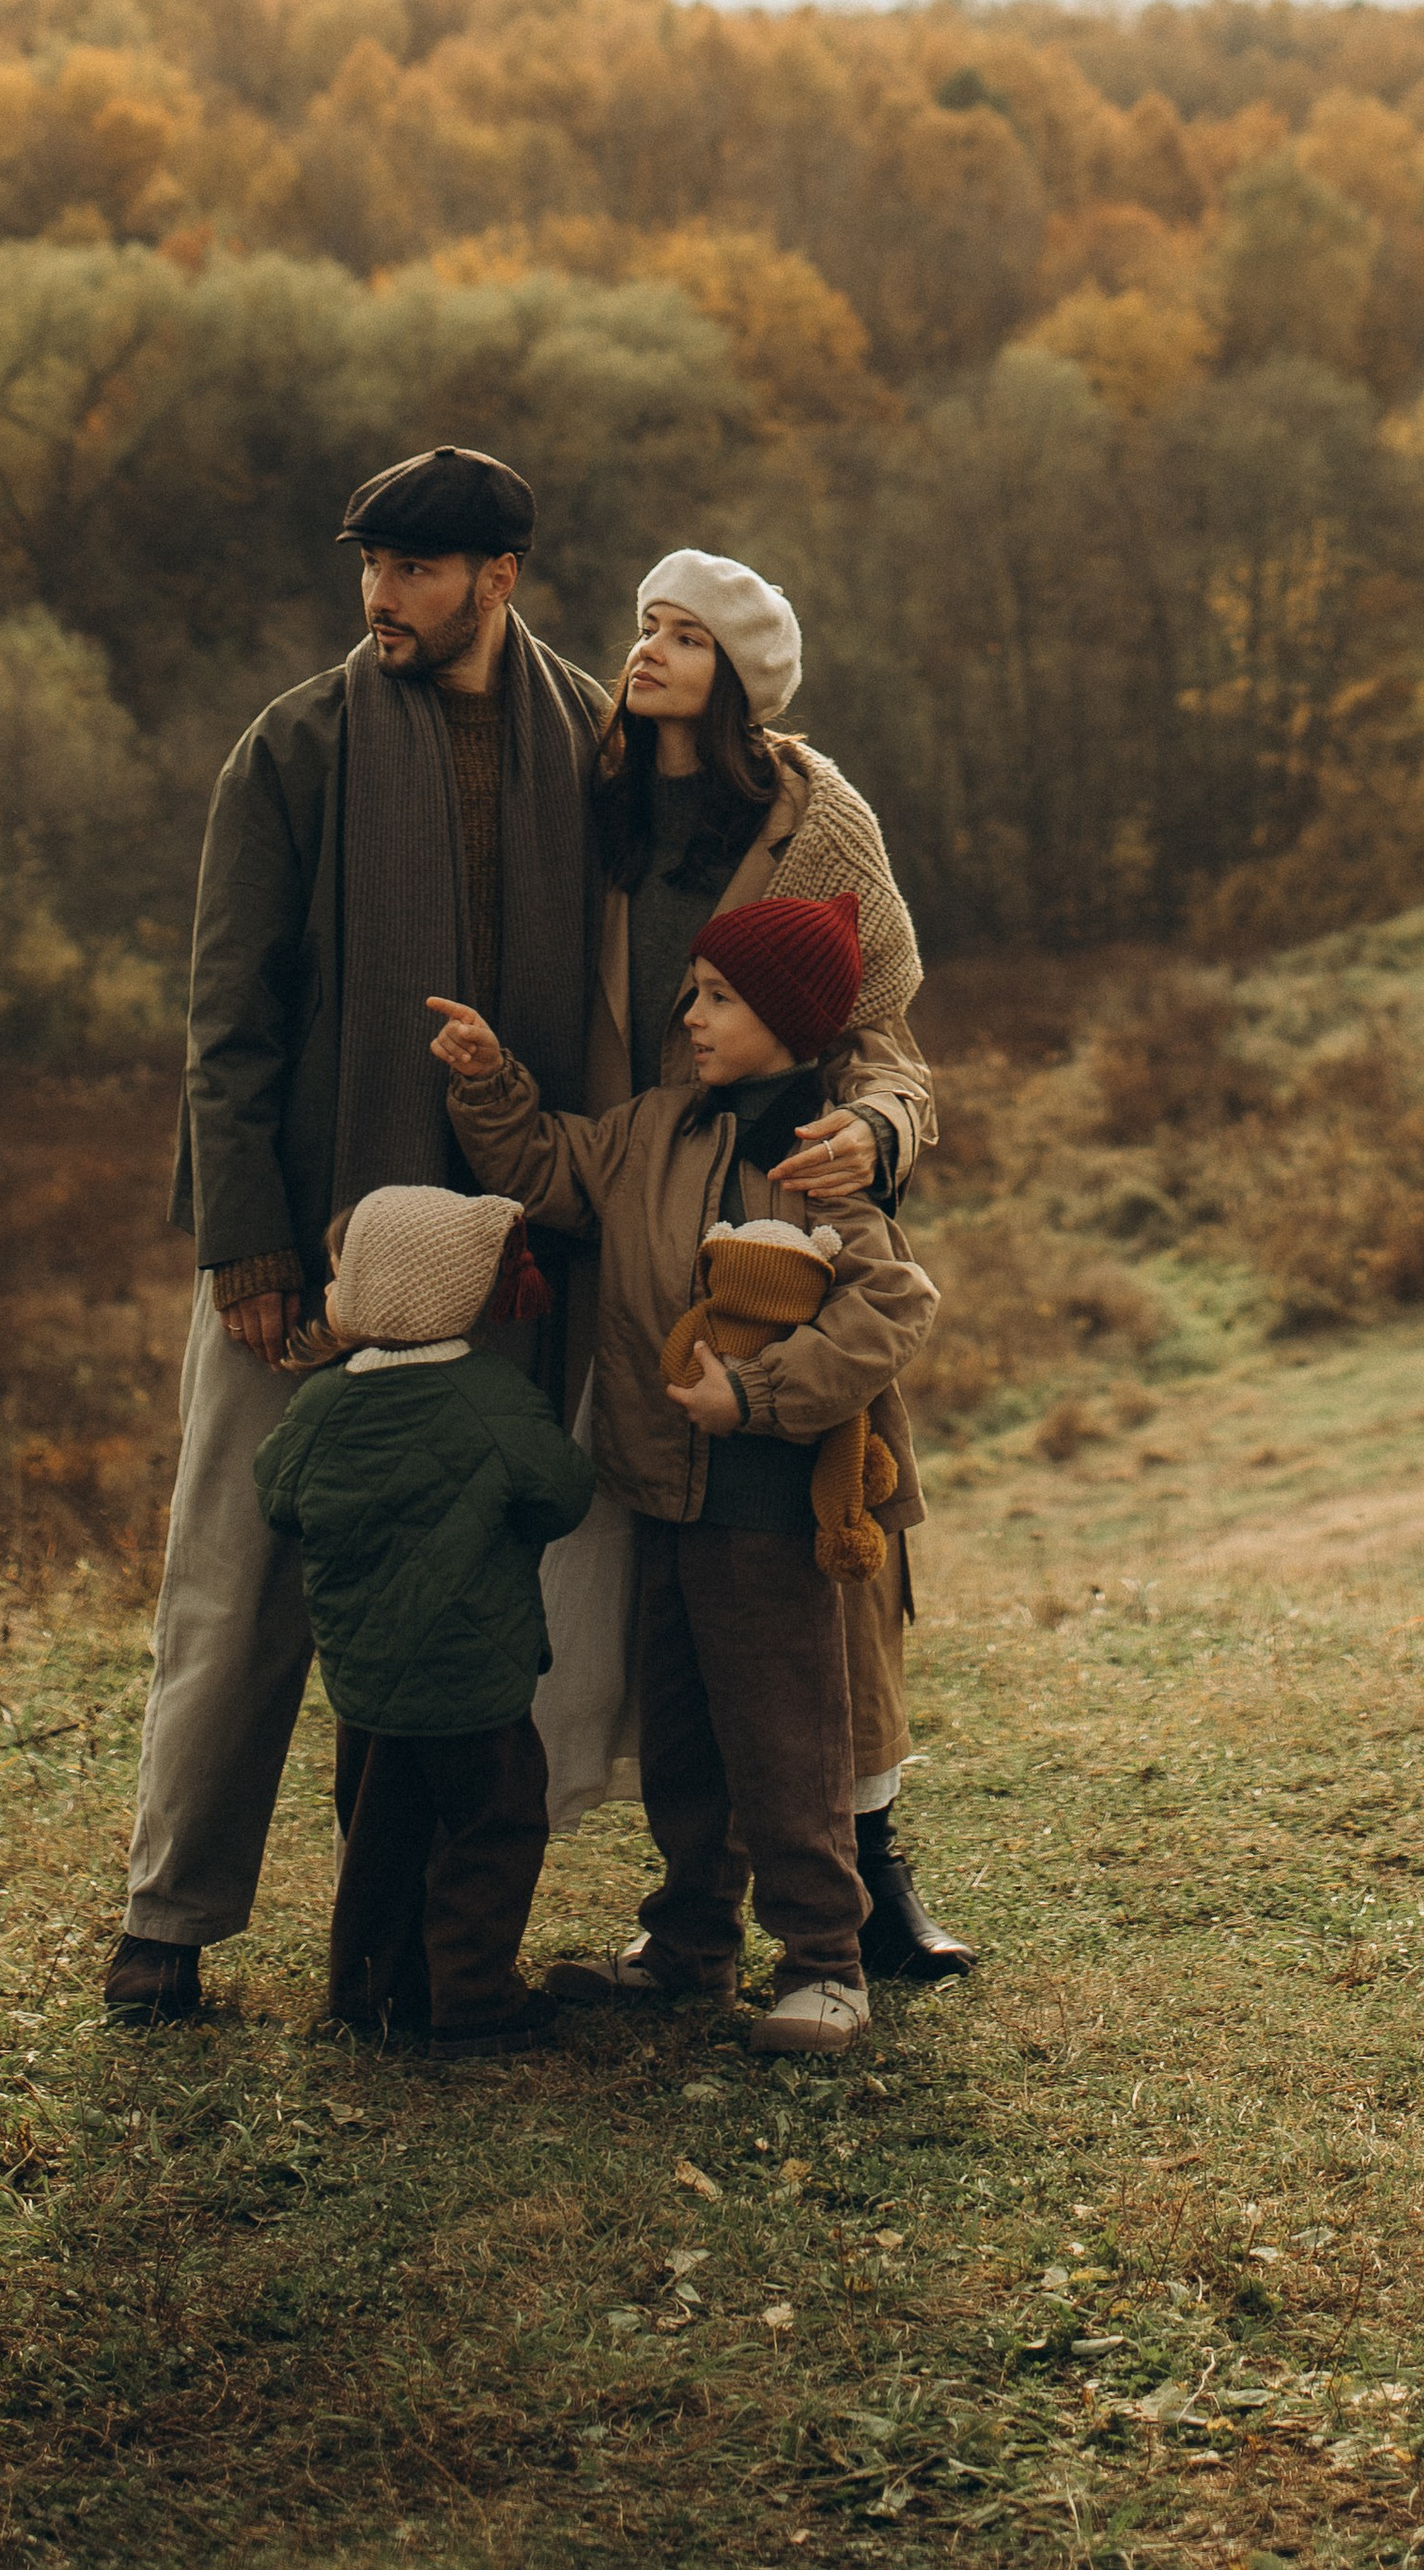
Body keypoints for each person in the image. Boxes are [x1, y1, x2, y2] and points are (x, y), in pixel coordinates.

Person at [105, 445, 609, 2028]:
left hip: (502, 1252)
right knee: (240, 1586)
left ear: (499, 581)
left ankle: (419, 1954)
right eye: (369, 565)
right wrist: (248, 1250)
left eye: (415, 568)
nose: (381, 594)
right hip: (315, 1252)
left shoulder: (592, 735)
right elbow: (227, 1021)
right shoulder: (297, 745)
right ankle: (167, 1925)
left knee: (470, 1602)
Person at [558, 547, 975, 1983]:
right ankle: (690, 1909)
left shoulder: (817, 819)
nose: (648, 651)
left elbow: (889, 1041)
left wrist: (874, 1126)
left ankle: (865, 1881)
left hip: (783, 1207)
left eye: (683, 635)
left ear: (738, 675)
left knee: (833, 1565)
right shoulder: (587, 799)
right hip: (621, 1201)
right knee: (664, 1596)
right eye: (643, 627)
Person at [436, 886, 938, 2056]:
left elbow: (891, 1304)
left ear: (787, 1016)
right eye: (693, 996)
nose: (694, 1017)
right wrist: (486, 1078)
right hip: (664, 1491)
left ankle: (825, 1962)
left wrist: (758, 1396)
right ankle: (689, 1943)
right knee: (683, 1734)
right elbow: (546, 1167)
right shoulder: (652, 1126)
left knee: (786, 1743)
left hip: (770, 1504)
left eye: (718, 998)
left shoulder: (813, 1154)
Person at [252, 1185, 596, 2057]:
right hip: (477, 1683)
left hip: (366, 1681)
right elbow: (562, 1494)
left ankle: (371, 1993)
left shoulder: (323, 1404)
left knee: (377, 1838)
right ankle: (473, 1997)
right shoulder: (492, 1396)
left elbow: (278, 1497)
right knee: (495, 1829)